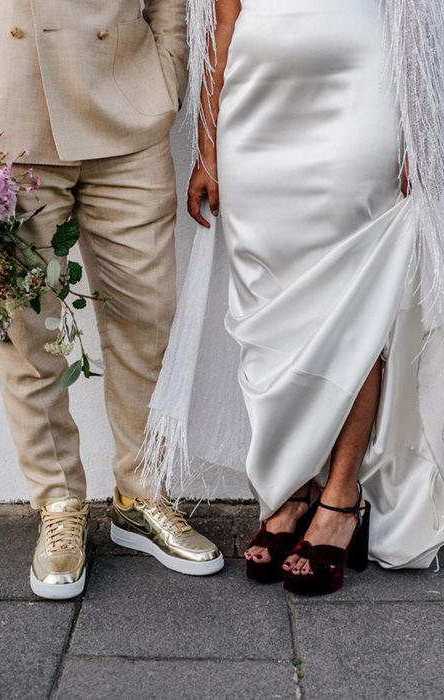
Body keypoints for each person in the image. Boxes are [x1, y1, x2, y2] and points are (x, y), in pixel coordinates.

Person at [0, 0, 224, 600]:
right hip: (4, 123)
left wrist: (166, 77)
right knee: (28, 330)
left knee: (148, 316)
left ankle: (142, 494)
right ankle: (59, 504)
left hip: (128, 116)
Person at [146, 0, 444, 595]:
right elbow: (223, 21)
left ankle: (340, 496)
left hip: (359, 96)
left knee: (354, 303)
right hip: (255, 114)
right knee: (267, 307)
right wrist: (208, 144)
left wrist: (421, 133)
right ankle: (295, 485)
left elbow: (415, 18)